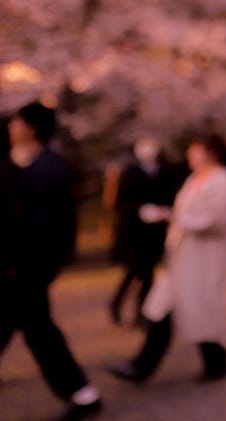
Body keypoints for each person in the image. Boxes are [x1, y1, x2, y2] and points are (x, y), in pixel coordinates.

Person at [0, 102, 105, 419]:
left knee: (36, 330)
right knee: (36, 329)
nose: (11, 127)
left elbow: (47, 224)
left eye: (18, 122)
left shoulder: (49, 168)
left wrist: (27, 262)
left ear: (31, 128)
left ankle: (83, 393)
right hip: (13, 265)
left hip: (27, 267)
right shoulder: (11, 163)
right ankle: (82, 393)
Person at [109, 133, 226, 385]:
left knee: (201, 308)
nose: (190, 156)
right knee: (161, 308)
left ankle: (216, 362)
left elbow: (215, 219)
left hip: (205, 256)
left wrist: (170, 218)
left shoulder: (223, 180)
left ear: (212, 153)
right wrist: (168, 216)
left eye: (196, 150)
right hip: (181, 255)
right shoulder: (194, 179)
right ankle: (141, 366)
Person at [109, 137, 179, 327]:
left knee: (148, 275)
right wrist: (141, 210)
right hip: (133, 234)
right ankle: (116, 305)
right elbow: (121, 203)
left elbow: (171, 196)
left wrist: (164, 211)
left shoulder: (165, 172)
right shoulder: (130, 173)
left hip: (154, 234)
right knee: (133, 272)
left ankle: (141, 312)